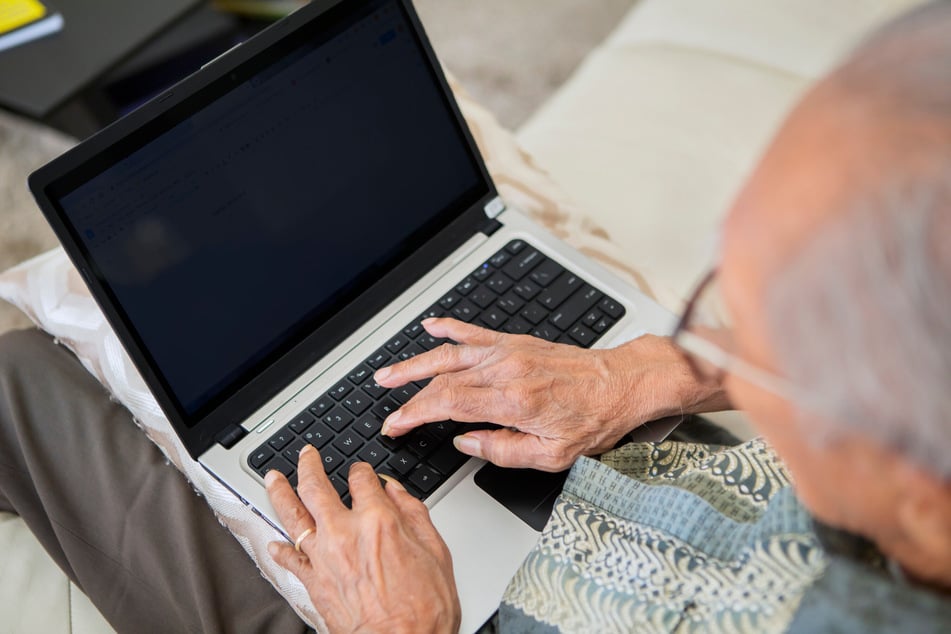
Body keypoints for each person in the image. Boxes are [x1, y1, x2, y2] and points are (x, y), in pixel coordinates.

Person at [1, 3, 950, 632]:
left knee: (20, 382)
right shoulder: (903, 496)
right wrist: (654, 370)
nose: (711, 330)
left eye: (749, 311)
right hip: (662, 493)